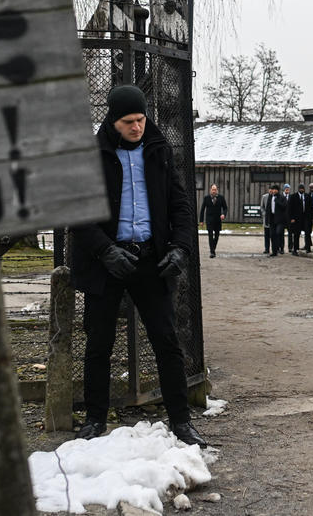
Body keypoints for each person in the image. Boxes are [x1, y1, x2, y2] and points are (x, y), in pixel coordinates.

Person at [69, 84, 207, 447]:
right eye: (128, 121)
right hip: (106, 261)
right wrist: (104, 251)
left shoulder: (159, 150)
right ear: (113, 121)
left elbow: (180, 206)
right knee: (99, 343)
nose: (137, 127)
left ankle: (181, 421)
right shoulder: (91, 156)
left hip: (151, 260)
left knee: (167, 340)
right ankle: (95, 418)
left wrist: (180, 248)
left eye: (141, 119)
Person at [199, 184, 228, 258]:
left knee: (217, 236)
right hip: (209, 220)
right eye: (213, 189)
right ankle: (212, 252)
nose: (214, 191)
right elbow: (202, 210)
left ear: (217, 190)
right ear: (210, 190)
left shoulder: (221, 198)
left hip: (218, 220)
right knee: (210, 236)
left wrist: (223, 214)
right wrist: (201, 221)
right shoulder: (206, 198)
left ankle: (213, 248)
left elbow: (225, 208)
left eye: (215, 189)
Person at [266, 183, 288, 256]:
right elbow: (268, 209)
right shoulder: (270, 197)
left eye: (275, 189)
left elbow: (284, 206)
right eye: (273, 189)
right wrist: (267, 219)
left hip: (280, 219)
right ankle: (274, 252)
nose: (274, 191)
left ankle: (280, 247)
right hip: (272, 218)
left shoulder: (282, 197)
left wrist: (277, 202)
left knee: (278, 233)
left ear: (278, 190)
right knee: (272, 235)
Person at [287, 183, 304, 255]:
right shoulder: (293, 196)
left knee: (298, 234)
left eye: (302, 189)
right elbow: (289, 208)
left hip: (302, 219)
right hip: (295, 219)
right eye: (300, 188)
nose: (301, 190)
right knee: (295, 234)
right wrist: (291, 218)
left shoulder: (305, 196)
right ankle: (294, 249)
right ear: (298, 189)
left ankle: (297, 248)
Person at [260, 185, 274, 254]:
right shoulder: (264, 197)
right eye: (270, 189)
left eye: (272, 189)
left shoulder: (275, 197)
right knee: (266, 235)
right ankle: (267, 249)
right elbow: (262, 207)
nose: (271, 191)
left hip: (273, 219)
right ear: (268, 190)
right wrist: (264, 213)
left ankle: (274, 249)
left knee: (273, 235)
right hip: (266, 218)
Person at [303, 183, 313, 252]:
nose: (311, 189)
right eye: (310, 187)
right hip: (309, 215)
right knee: (307, 231)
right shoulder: (307, 196)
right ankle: (307, 245)